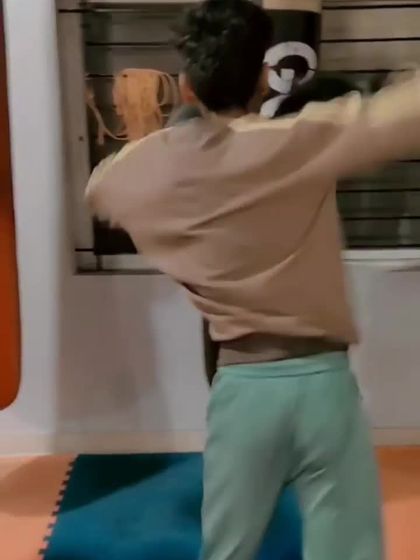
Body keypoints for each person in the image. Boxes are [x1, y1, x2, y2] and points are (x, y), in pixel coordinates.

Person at [86, 2, 420, 558]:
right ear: (265, 78)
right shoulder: (302, 141)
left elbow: (102, 189)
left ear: (188, 85)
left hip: (243, 393)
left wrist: (170, 133)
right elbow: (402, 115)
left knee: (228, 551)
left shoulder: (157, 169)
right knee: (350, 548)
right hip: (325, 388)